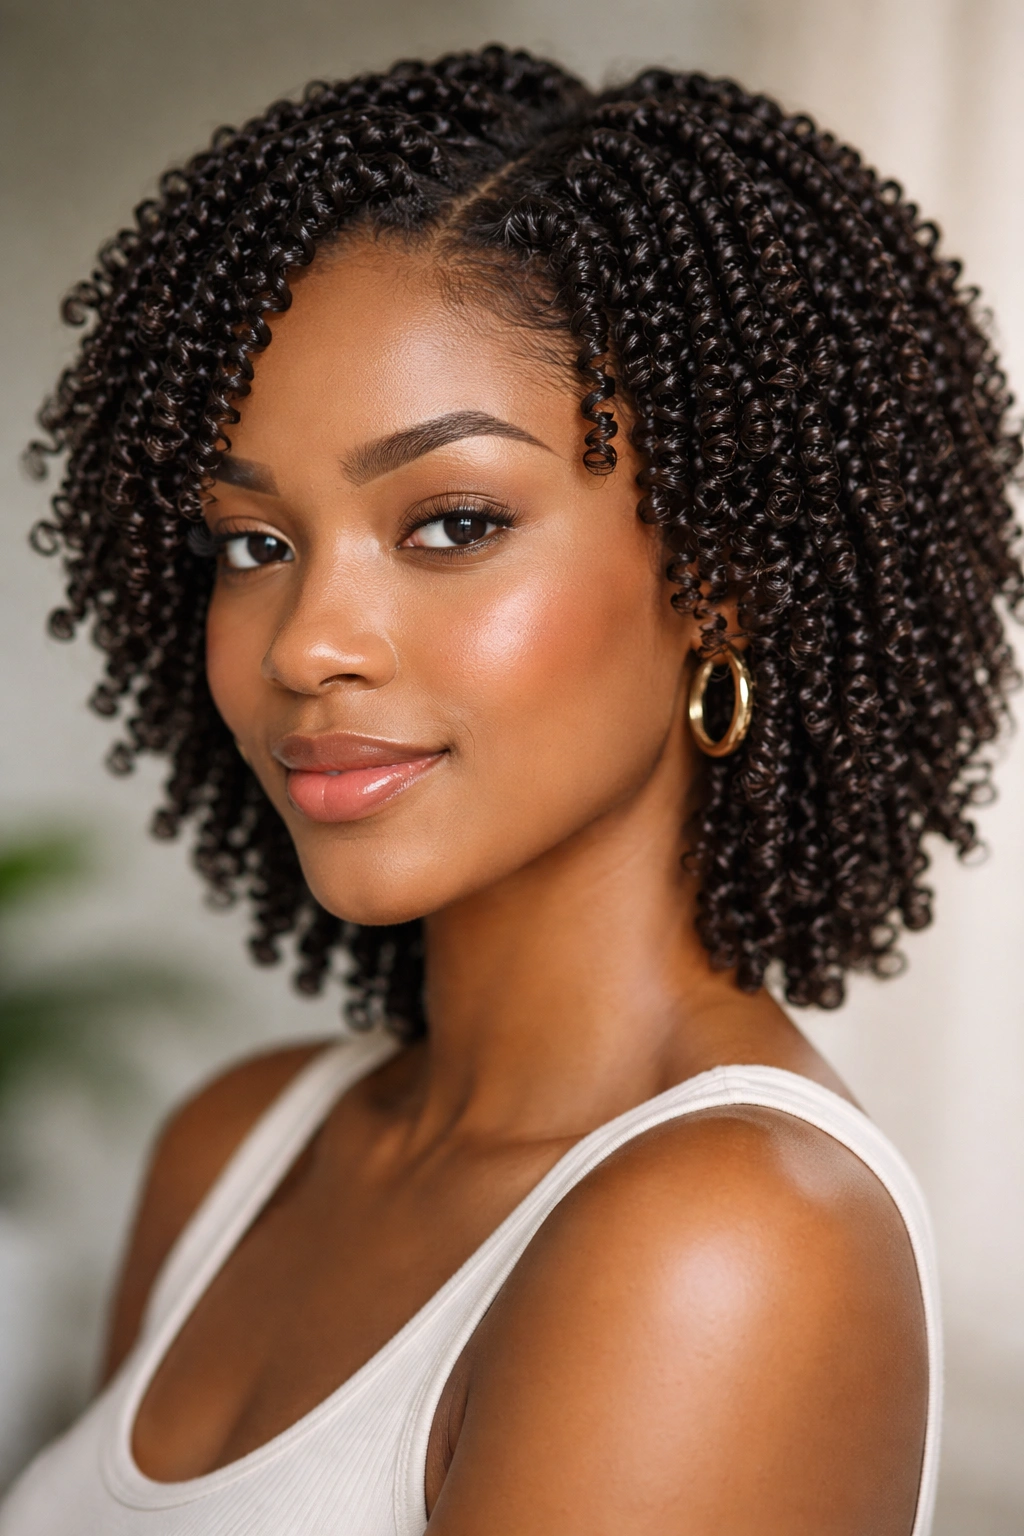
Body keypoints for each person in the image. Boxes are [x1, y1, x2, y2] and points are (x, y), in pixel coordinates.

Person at [2, 44, 1020, 1536]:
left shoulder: (727, 1243)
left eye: (452, 522)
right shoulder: (240, 1150)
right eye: (253, 543)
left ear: (721, 577)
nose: (309, 644)